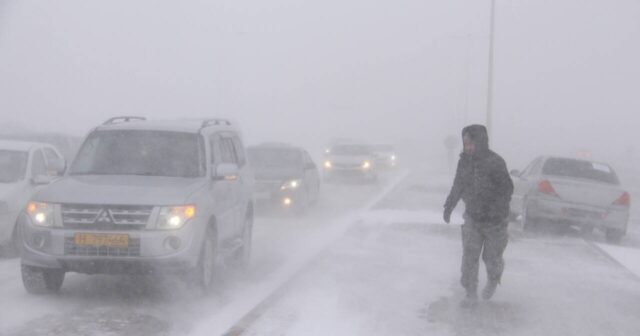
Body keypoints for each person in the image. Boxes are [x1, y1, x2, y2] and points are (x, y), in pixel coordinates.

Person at [443, 124, 514, 307]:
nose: (468, 147)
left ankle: (493, 279)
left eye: (471, 143)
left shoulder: (495, 162)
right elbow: (458, 185)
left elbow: (507, 189)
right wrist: (449, 206)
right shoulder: (464, 162)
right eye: (465, 143)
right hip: (473, 219)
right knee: (469, 256)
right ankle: (470, 291)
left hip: (495, 222)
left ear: (480, 142)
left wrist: (494, 208)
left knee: (491, 258)